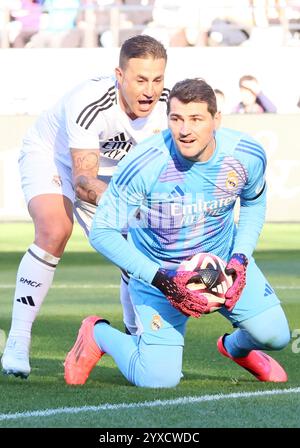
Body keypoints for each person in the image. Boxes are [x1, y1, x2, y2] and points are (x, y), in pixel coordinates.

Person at [64, 78, 290, 388]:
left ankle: (235, 349)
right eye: (176, 118)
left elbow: (253, 203)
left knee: (275, 335)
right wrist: (161, 280)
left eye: (196, 119)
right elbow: (103, 232)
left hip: (222, 265)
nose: (185, 130)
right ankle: (98, 334)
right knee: (157, 380)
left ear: (216, 120)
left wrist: (239, 259)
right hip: (160, 274)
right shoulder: (144, 164)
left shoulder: (246, 154)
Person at [1, 34, 169, 379]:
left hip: (111, 174)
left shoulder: (170, 108)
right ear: (119, 76)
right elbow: (83, 181)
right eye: (140, 79)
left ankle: (138, 340)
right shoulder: (91, 101)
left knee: (137, 249)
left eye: (157, 79)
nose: (150, 90)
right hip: (56, 159)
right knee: (55, 229)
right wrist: (134, 211)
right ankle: (17, 340)